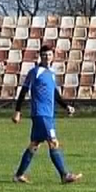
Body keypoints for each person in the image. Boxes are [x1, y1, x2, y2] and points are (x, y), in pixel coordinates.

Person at [12, 44, 82, 184]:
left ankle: (18, 175)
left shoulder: (51, 73)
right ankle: (65, 175)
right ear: (40, 56)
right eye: (44, 55)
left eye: (49, 55)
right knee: (53, 142)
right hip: (41, 113)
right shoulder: (35, 72)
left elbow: (55, 94)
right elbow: (24, 91)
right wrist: (17, 111)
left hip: (48, 114)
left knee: (34, 144)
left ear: (52, 56)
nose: (47, 57)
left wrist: (66, 106)